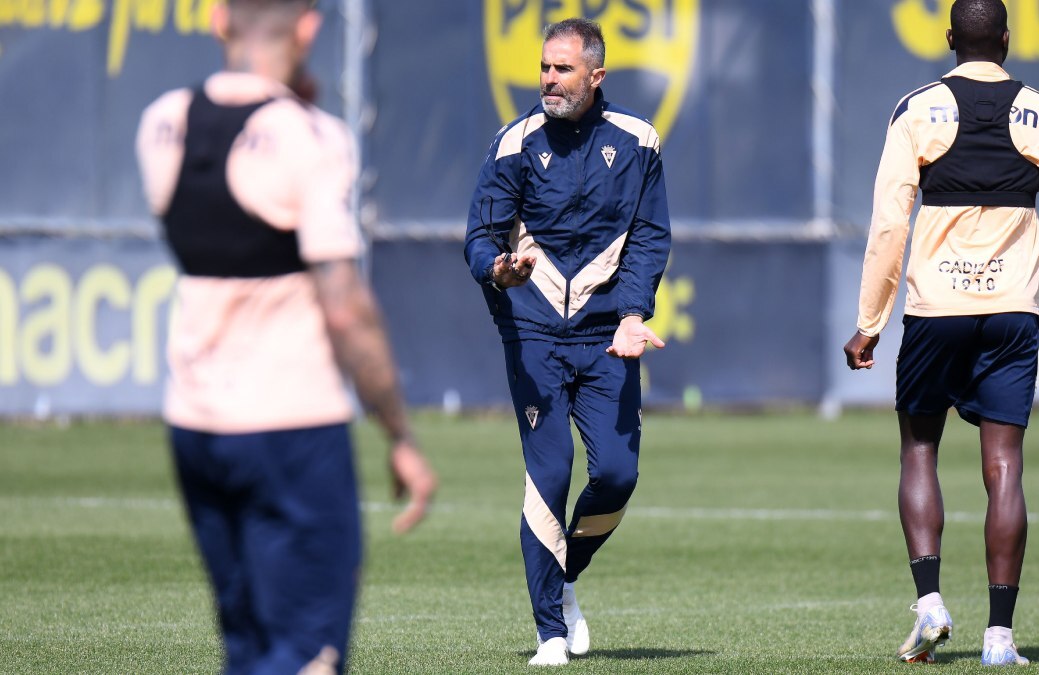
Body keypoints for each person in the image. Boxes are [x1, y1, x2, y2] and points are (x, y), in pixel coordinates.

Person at [135, 1, 436, 672]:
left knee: (247, 647)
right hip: (291, 426)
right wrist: (399, 433)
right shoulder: (312, 137)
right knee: (306, 653)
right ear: (307, 26)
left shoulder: (161, 124)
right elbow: (344, 308)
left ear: (217, 18)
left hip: (195, 424)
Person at [841, 0, 1039, 666]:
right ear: (1007, 40)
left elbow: (890, 227)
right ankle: (1000, 638)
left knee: (919, 449)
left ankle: (929, 604)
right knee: (1004, 464)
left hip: (934, 308)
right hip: (1013, 310)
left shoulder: (916, 109)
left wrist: (870, 321)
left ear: (950, 38)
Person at [464, 17, 670, 667]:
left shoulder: (637, 142)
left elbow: (649, 235)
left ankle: (567, 575)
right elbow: (478, 237)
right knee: (549, 472)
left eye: (562, 69)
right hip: (531, 331)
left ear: (596, 76)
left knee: (617, 473)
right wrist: (499, 269)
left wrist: (635, 313)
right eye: (544, 67)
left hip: (608, 332)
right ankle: (550, 630)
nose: (547, 79)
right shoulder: (515, 143)